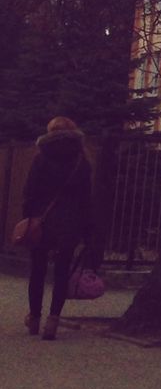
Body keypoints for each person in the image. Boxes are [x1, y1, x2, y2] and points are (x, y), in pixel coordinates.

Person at [21, 116, 94, 341]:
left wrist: (28, 217)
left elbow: (30, 190)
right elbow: (86, 198)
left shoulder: (42, 157)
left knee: (38, 270)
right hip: (70, 222)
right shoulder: (82, 160)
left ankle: (34, 318)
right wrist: (86, 227)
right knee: (62, 272)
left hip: (43, 220)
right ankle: (53, 320)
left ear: (50, 132)